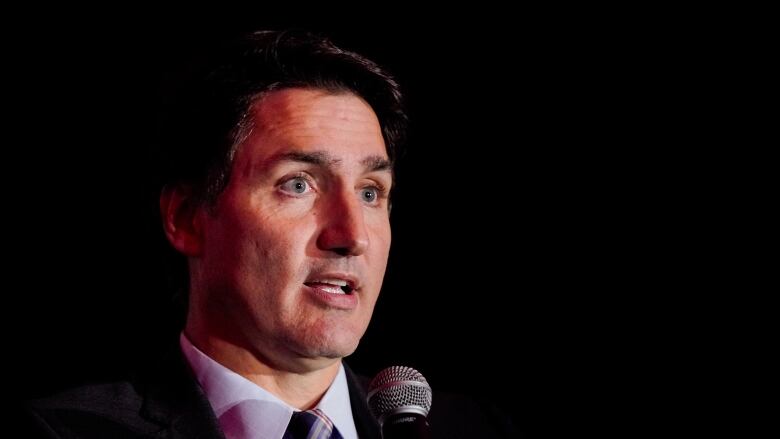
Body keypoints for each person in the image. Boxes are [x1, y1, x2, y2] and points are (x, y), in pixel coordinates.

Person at [25, 29, 517, 438]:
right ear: (186, 217)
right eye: (297, 184)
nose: (351, 235)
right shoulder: (67, 431)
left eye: (371, 192)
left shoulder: (474, 430)